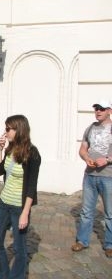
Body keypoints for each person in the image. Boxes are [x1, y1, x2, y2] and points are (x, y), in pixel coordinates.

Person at [0, 114, 41, 279]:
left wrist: (25, 213)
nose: (6, 132)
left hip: (19, 207)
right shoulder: (10, 148)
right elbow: (0, 170)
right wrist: (0, 150)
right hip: (3, 204)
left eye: (8, 129)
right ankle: (2, 275)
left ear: (19, 129)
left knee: (19, 249)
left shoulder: (32, 153)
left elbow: (32, 186)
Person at [71, 99, 112, 258]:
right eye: (96, 108)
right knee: (86, 211)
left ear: (109, 110)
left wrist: (107, 159)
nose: (98, 111)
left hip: (108, 177)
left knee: (109, 213)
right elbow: (82, 149)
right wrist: (86, 157)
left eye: (102, 108)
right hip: (90, 175)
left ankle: (110, 244)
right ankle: (82, 241)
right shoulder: (90, 128)